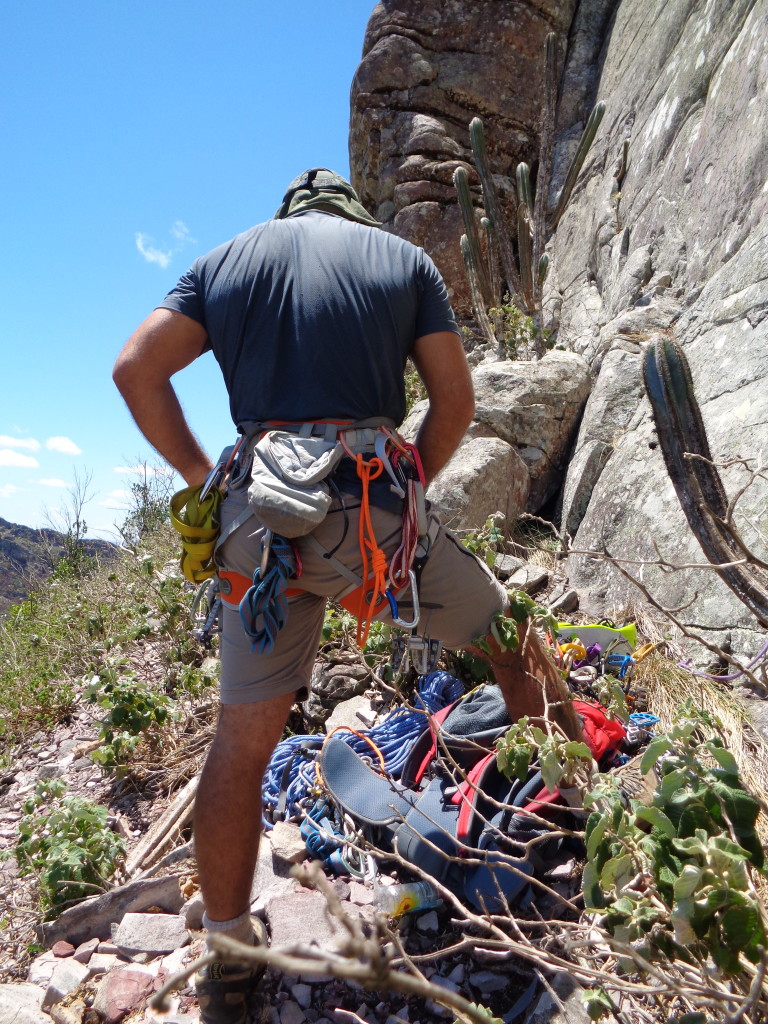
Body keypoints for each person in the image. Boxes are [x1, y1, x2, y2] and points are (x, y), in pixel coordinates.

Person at [113, 168, 581, 1024]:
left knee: (242, 738)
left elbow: (135, 368)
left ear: (286, 215)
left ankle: (227, 955)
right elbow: (454, 399)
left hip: (258, 520)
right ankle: (578, 827)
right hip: (374, 501)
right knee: (511, 642)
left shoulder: (224, 264)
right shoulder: (401, 260)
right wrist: (410, 500)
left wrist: (197, 477)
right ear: (351, 213)